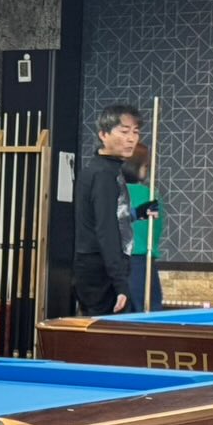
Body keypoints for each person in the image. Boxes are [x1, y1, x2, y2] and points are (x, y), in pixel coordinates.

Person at [73, 104, 143, 315]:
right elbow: (106, 229)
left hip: (96, 266)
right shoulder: (103, 174)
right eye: (124, 131)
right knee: (106, 333)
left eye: (135, 132)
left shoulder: (102, 169)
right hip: (101, 271)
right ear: (103, 135)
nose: (131, 139)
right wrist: (120, 283)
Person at [122, 143, 164, 312]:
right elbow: (157, 229)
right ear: (136, 166)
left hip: (118, 262)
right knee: (148, 312)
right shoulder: (150, 194)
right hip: (142, 261)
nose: (147, 170)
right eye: (146, 166)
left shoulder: (113, 191)